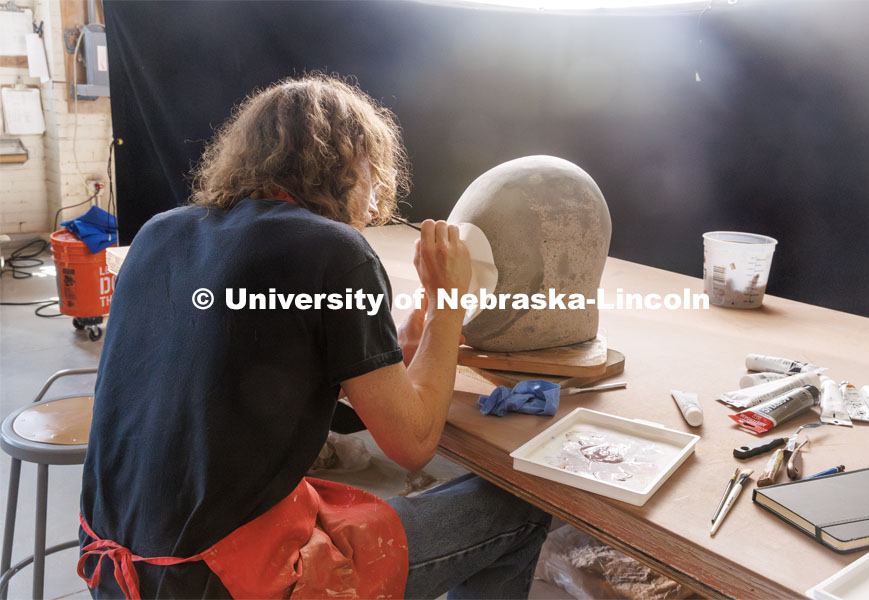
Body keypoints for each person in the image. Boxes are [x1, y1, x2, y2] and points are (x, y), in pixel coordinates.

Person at [78, 74, 551, 599]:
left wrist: (415, 334)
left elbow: (287, 363)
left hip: (118, 566)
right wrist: (448, 303)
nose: (374, 207)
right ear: (347, 166)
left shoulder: (159, 231)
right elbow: (412, 444)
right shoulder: (334, 250)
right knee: (519, 506)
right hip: (219, 578)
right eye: (373, 176)